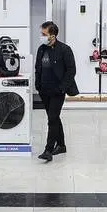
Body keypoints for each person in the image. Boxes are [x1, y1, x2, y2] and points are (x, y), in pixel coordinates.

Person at [35, 21, 78, 162]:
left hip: (57, 91)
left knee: (52, 119)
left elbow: (71, 71)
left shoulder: (65, 49)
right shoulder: (41, 49)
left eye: (44, 34)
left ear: (52, 36)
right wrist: (37, 85)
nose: (41, 36)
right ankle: (61, 145)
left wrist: (62, 88)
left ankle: (48, 150)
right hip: (44, 90)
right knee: (54, 118)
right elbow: (38, 68)